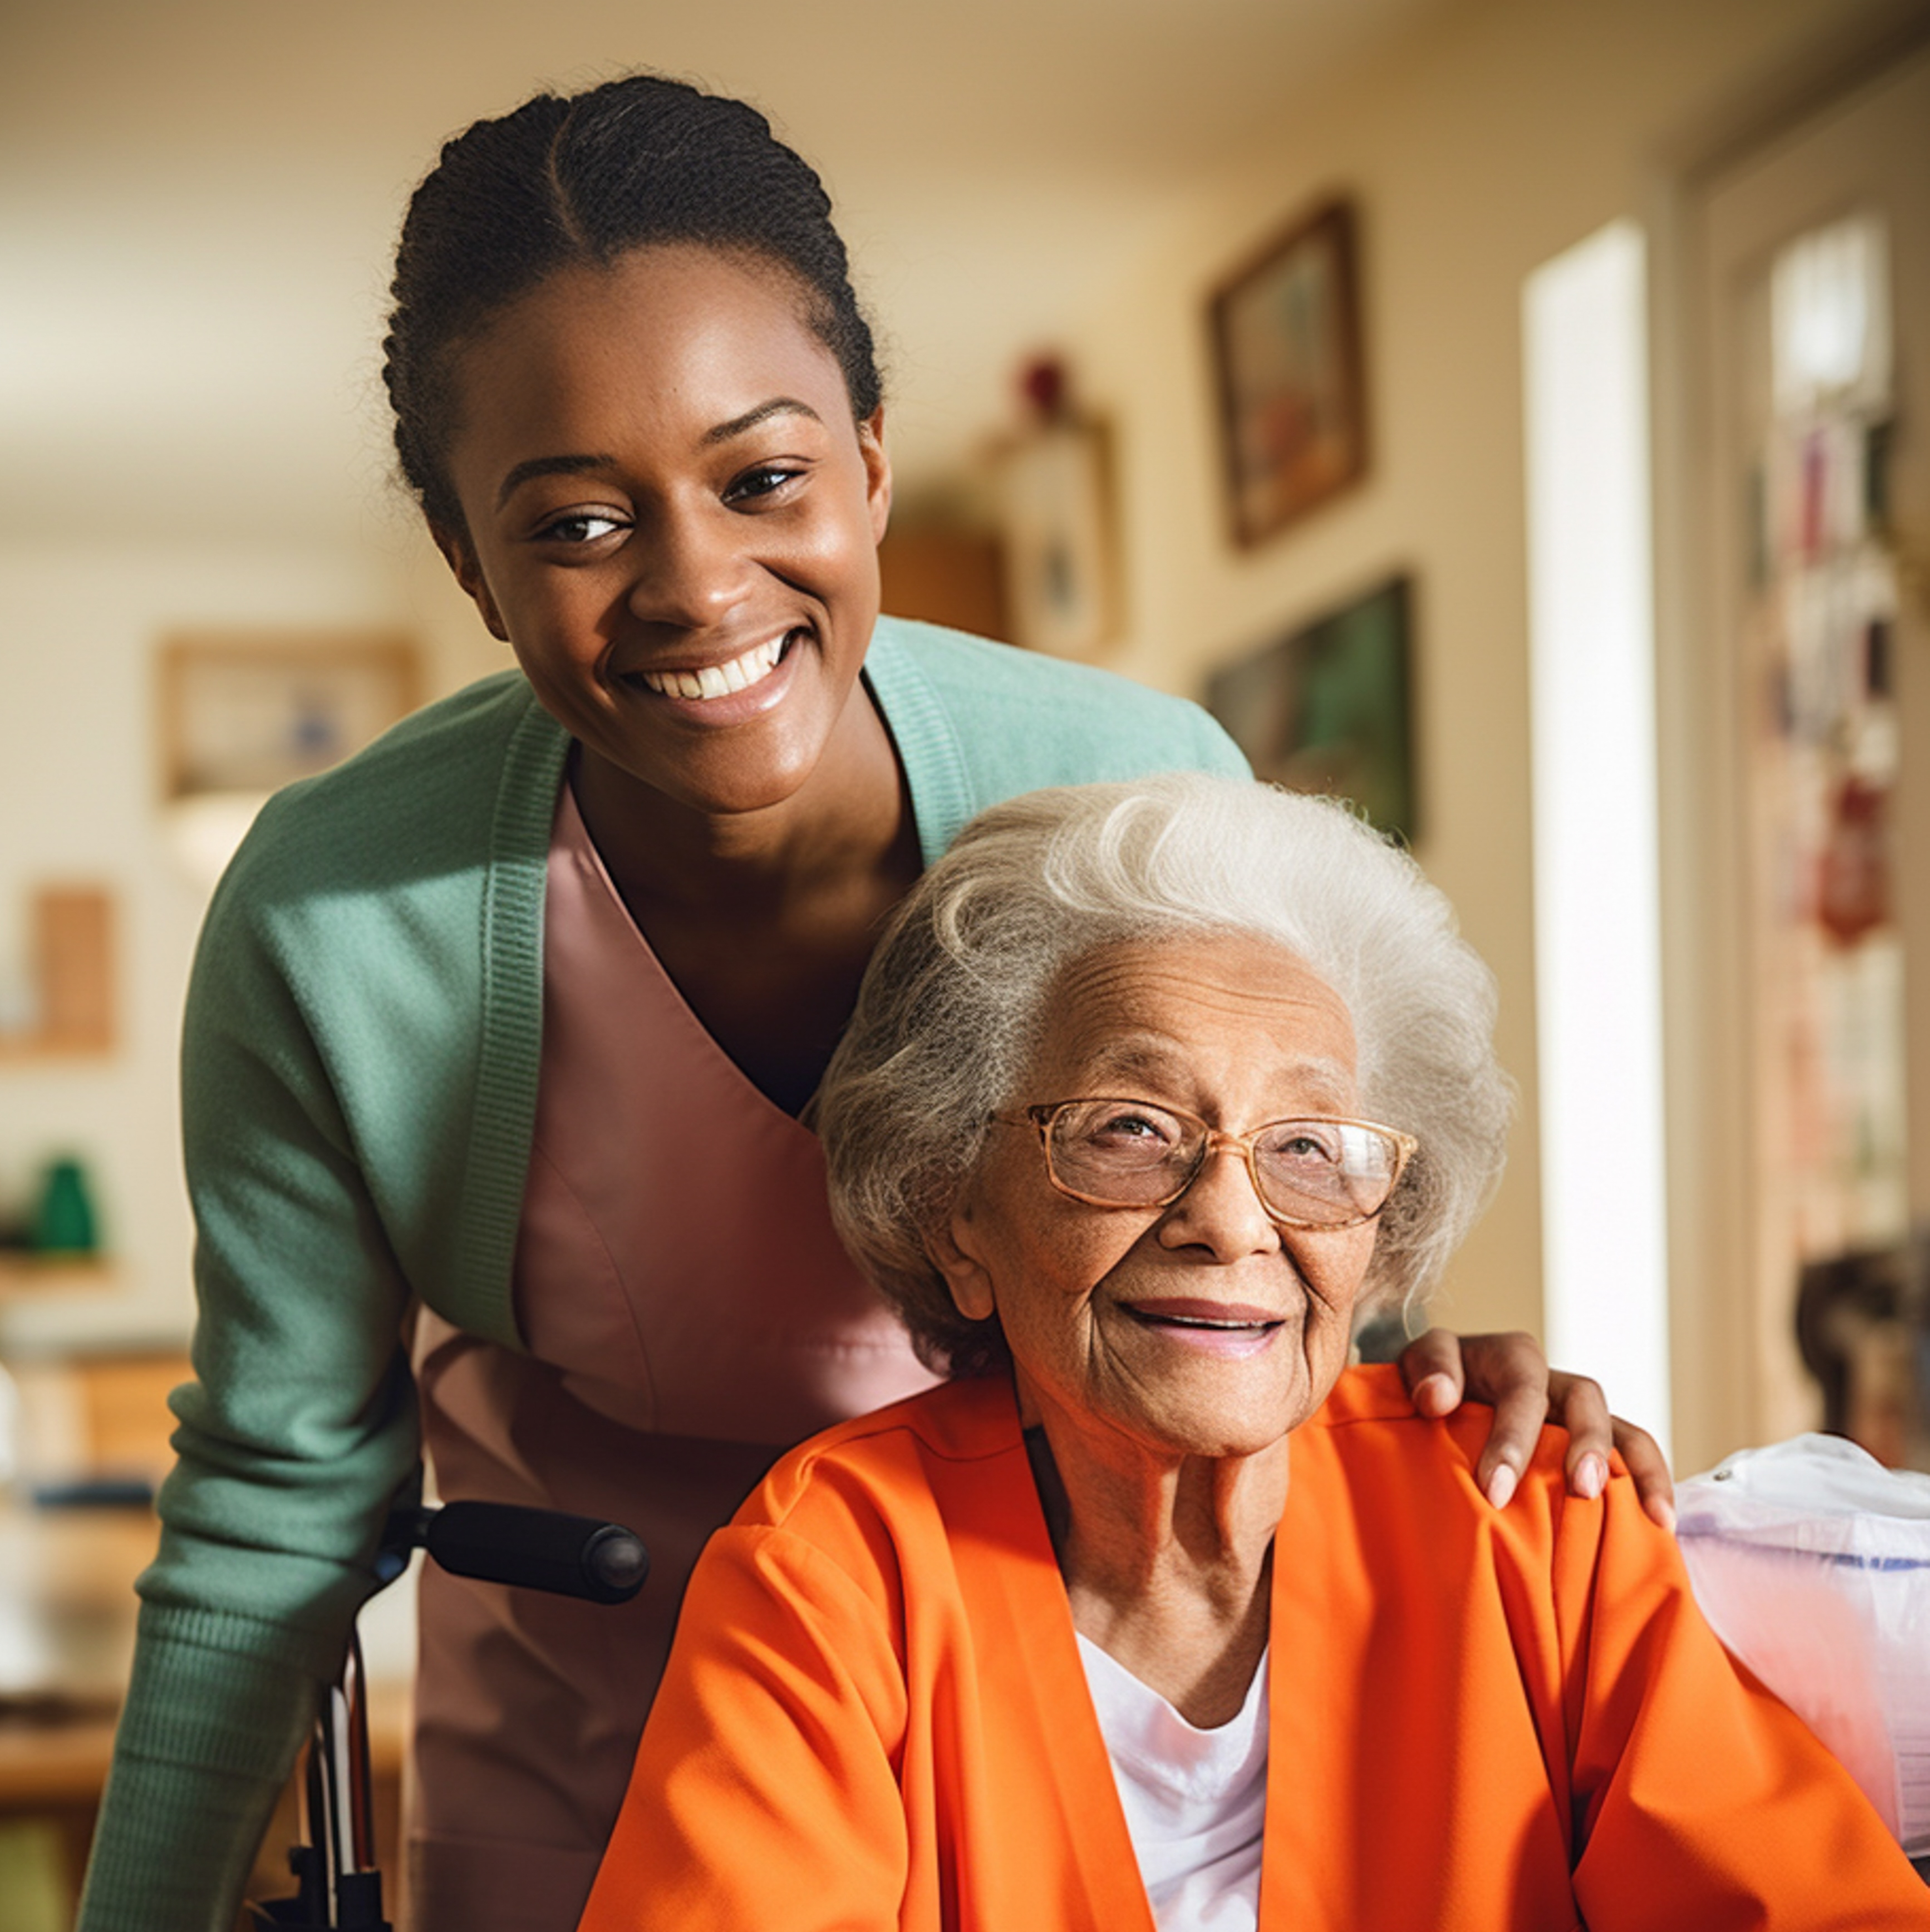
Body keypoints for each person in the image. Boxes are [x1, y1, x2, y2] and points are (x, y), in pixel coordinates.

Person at [78, 76, 1670, 1932]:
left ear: (871, 462)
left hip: (1061, 1742)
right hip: (599, 1769)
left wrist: (1431, 1378)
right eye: (579, 523)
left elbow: (1286, 1274)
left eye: (763, 480)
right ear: (463, 555)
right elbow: (273, 1498)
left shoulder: (1139, 786)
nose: (694, 586)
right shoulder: (335, 914)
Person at [581, 773, 1928, 1932]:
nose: (1230, 1220)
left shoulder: (1536, 1524)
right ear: (958, 1215)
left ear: (1380, 1230)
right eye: (1127, 1126)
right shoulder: (836, 1572)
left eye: (1308, 1147)